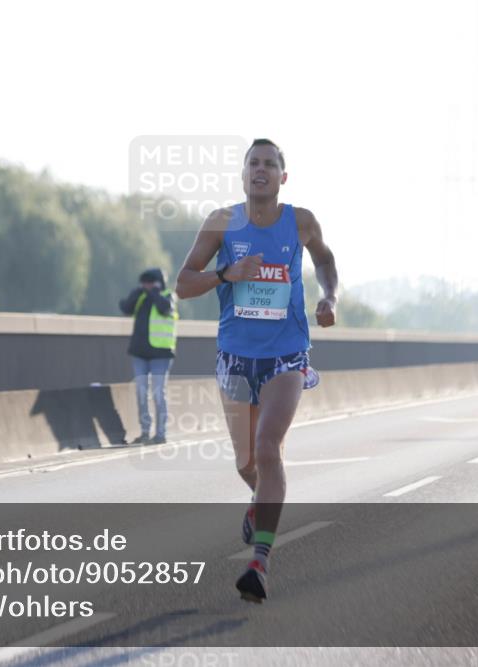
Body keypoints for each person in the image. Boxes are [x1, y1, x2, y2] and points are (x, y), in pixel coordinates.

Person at [175, 139, 338, 603]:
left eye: (270, 164)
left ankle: (260, 562)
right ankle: (259, 502)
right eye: (253, 163)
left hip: (286, 355)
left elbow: (324, 259)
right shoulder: (222, 222)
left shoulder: (300, 221)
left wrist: (330, 298)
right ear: (243, 174)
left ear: (282, 177)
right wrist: (227, 274)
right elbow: (183, 284)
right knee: (246, 462)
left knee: (268, 448)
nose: (260, 170)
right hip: (235, 357)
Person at [118, 268, 178, 445]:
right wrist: (136, 293)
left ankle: (160, 434)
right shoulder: (141, 297)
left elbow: (165, 308)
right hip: (140, 353)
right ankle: (145, 431)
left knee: (158, 392)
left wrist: (155, 293)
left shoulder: (167, 296)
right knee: (141, 392)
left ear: (159, 282)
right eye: (144, 282)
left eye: (150, 282)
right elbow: (125, 308)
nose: (146, 285)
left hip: (161, 353)